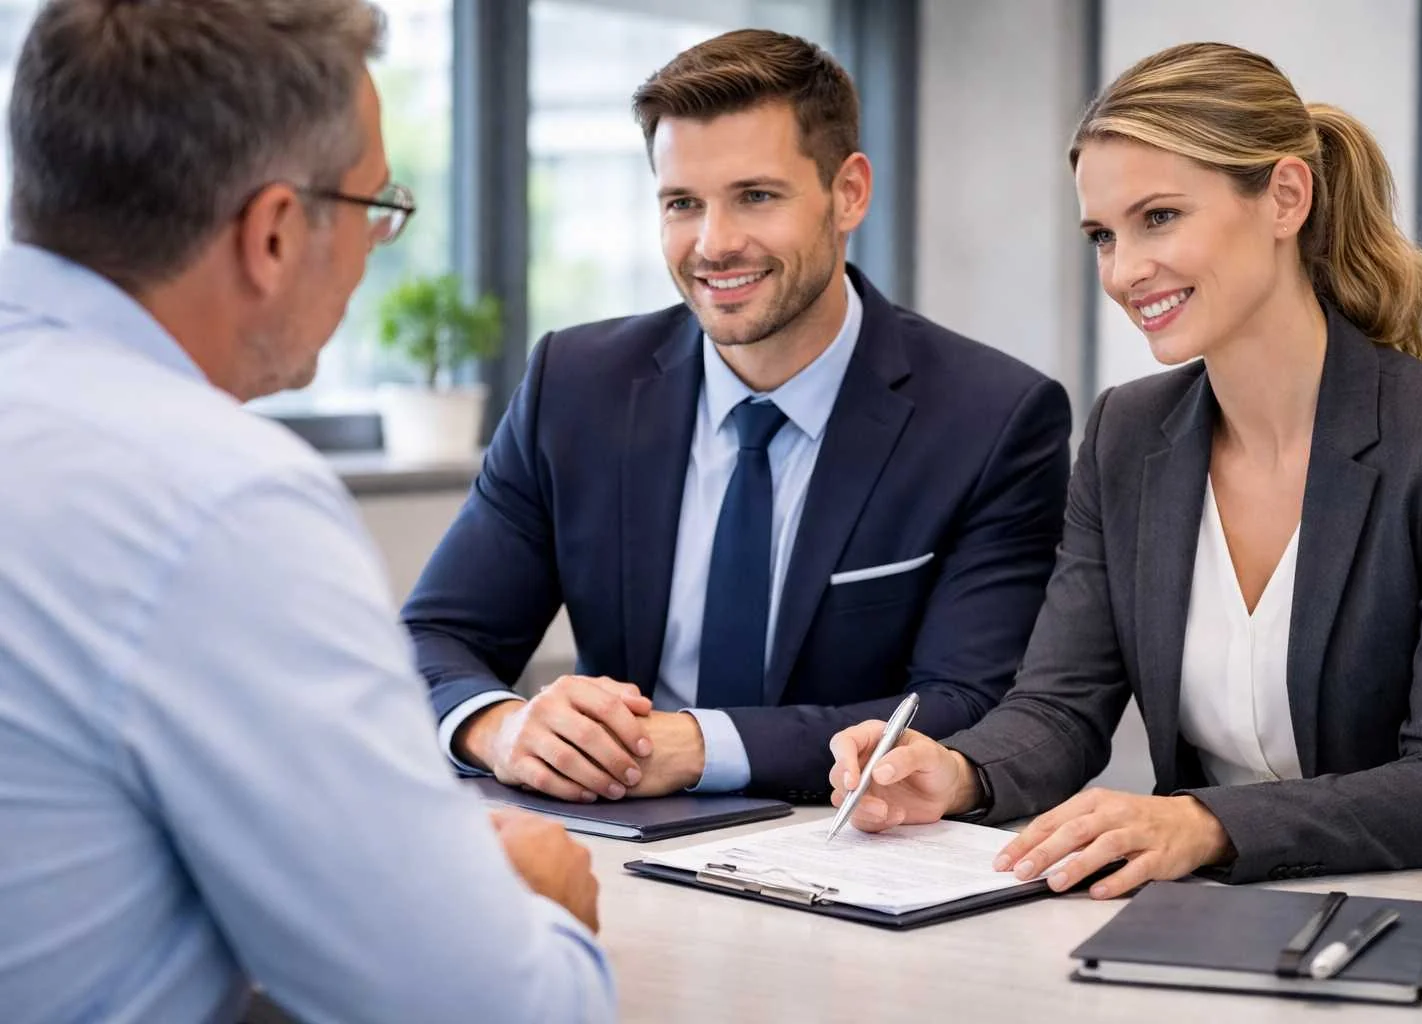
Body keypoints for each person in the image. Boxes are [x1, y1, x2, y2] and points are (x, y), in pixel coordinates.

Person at [0, 2, 612, 1022]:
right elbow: (486, 1005)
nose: (376, 248)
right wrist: (540, 904)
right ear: (275, 232)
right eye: (375, 206)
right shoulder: (215, 498)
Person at [828, 41, 1422, 895]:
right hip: (1199, 918)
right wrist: (955, 771)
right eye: (1102, 235)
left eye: (1159, 217)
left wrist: (1204, 822)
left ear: (1284, 197)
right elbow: (1059, 707)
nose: (1125, 272)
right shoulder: (1129, 433)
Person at [402, 29, 1072, 803]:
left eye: (756, 196)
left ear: (848, 192)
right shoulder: (575, 386)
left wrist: (697, 746)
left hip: (848, 854)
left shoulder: (992, 419)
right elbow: (432, 639)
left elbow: (970, 704)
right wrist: (499, 726)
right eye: (683, 204)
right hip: (610, 840)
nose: (714, 245)